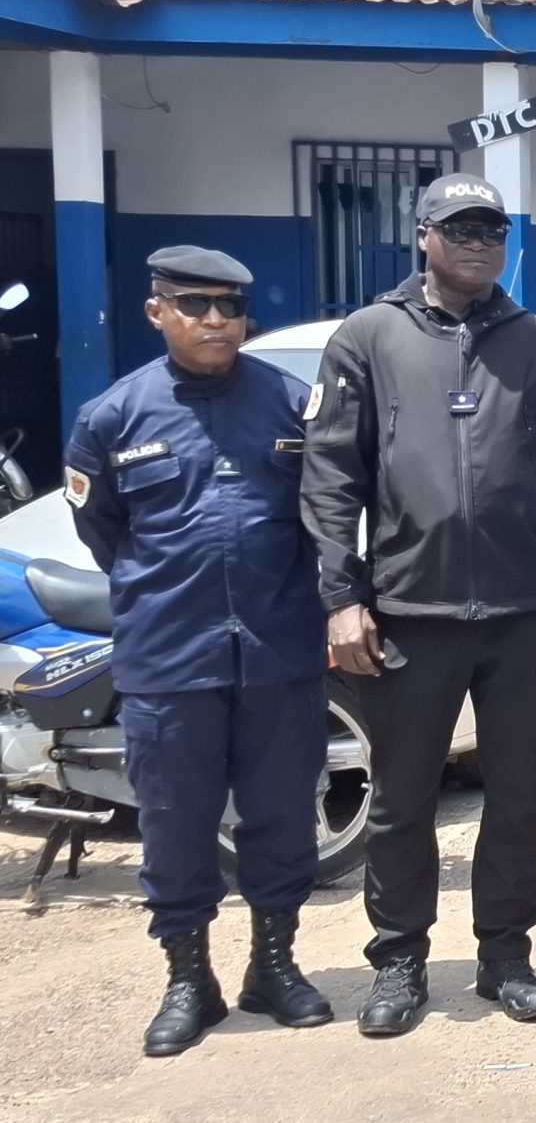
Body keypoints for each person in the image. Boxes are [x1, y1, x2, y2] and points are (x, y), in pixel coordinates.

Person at [302, 172, 536, 1035]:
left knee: (519, 799)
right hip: (408, 616)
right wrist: (343, 598)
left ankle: (505, 956)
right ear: (424, 236)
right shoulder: (369, 337)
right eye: (461, 228)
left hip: (523, 619)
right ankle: (399, 961)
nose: (478, 243)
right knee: (403, 802)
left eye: (492, 231)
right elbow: (329, 478)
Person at [63, 247, 332, 1056]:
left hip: (279, 651)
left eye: (230, 306)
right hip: (170, 659)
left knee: (282, 815)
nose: (216, 320)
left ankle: (273, 967)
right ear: (157, 312)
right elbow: (105, 532)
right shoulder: (112, 416)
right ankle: (189, 981)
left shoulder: (292, 404)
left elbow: (325, 514)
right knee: (175, 824)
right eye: (195, 304)